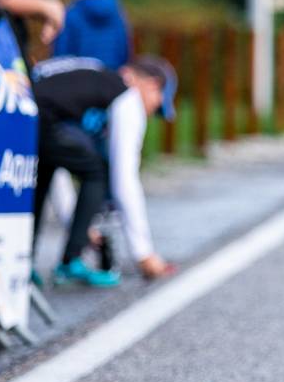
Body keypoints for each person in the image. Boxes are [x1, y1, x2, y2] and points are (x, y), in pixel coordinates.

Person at [29, 55, 177, 284]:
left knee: (47, 167)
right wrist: (144, 254)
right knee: (97, 171)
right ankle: (70, 262)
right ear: (152, 85)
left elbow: (58, 167)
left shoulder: (92, 75)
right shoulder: (127, 97)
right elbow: (124, 180)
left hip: (24, 107)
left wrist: (79, 226)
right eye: (157, 105)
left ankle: (23, 262)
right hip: (41, 114)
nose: (150, 113)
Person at [53, 0, 132, 69]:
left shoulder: (71, 14)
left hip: (79, 77)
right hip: (111, 75)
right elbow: (124, 49)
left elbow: (61, 57)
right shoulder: (117, 11)